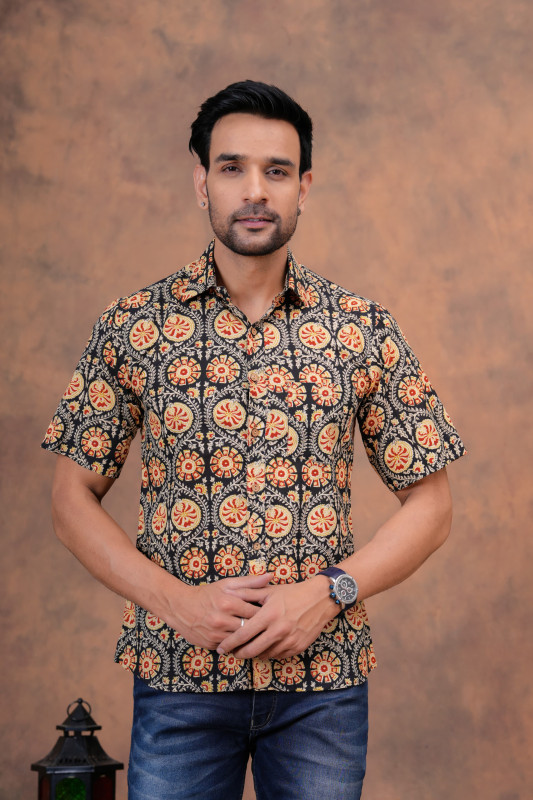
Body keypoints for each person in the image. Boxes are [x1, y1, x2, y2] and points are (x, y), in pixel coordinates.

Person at [42, 80, 465, 800]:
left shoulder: (360, 328)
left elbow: (433, 506)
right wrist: (177, 603)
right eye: (232, 168)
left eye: (277, 171)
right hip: (179, 682)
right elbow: (69, 500)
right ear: (201, 183)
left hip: (321, 689)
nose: (255, 191)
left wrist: (328, 593)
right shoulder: (134, 326)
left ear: (304, 188)